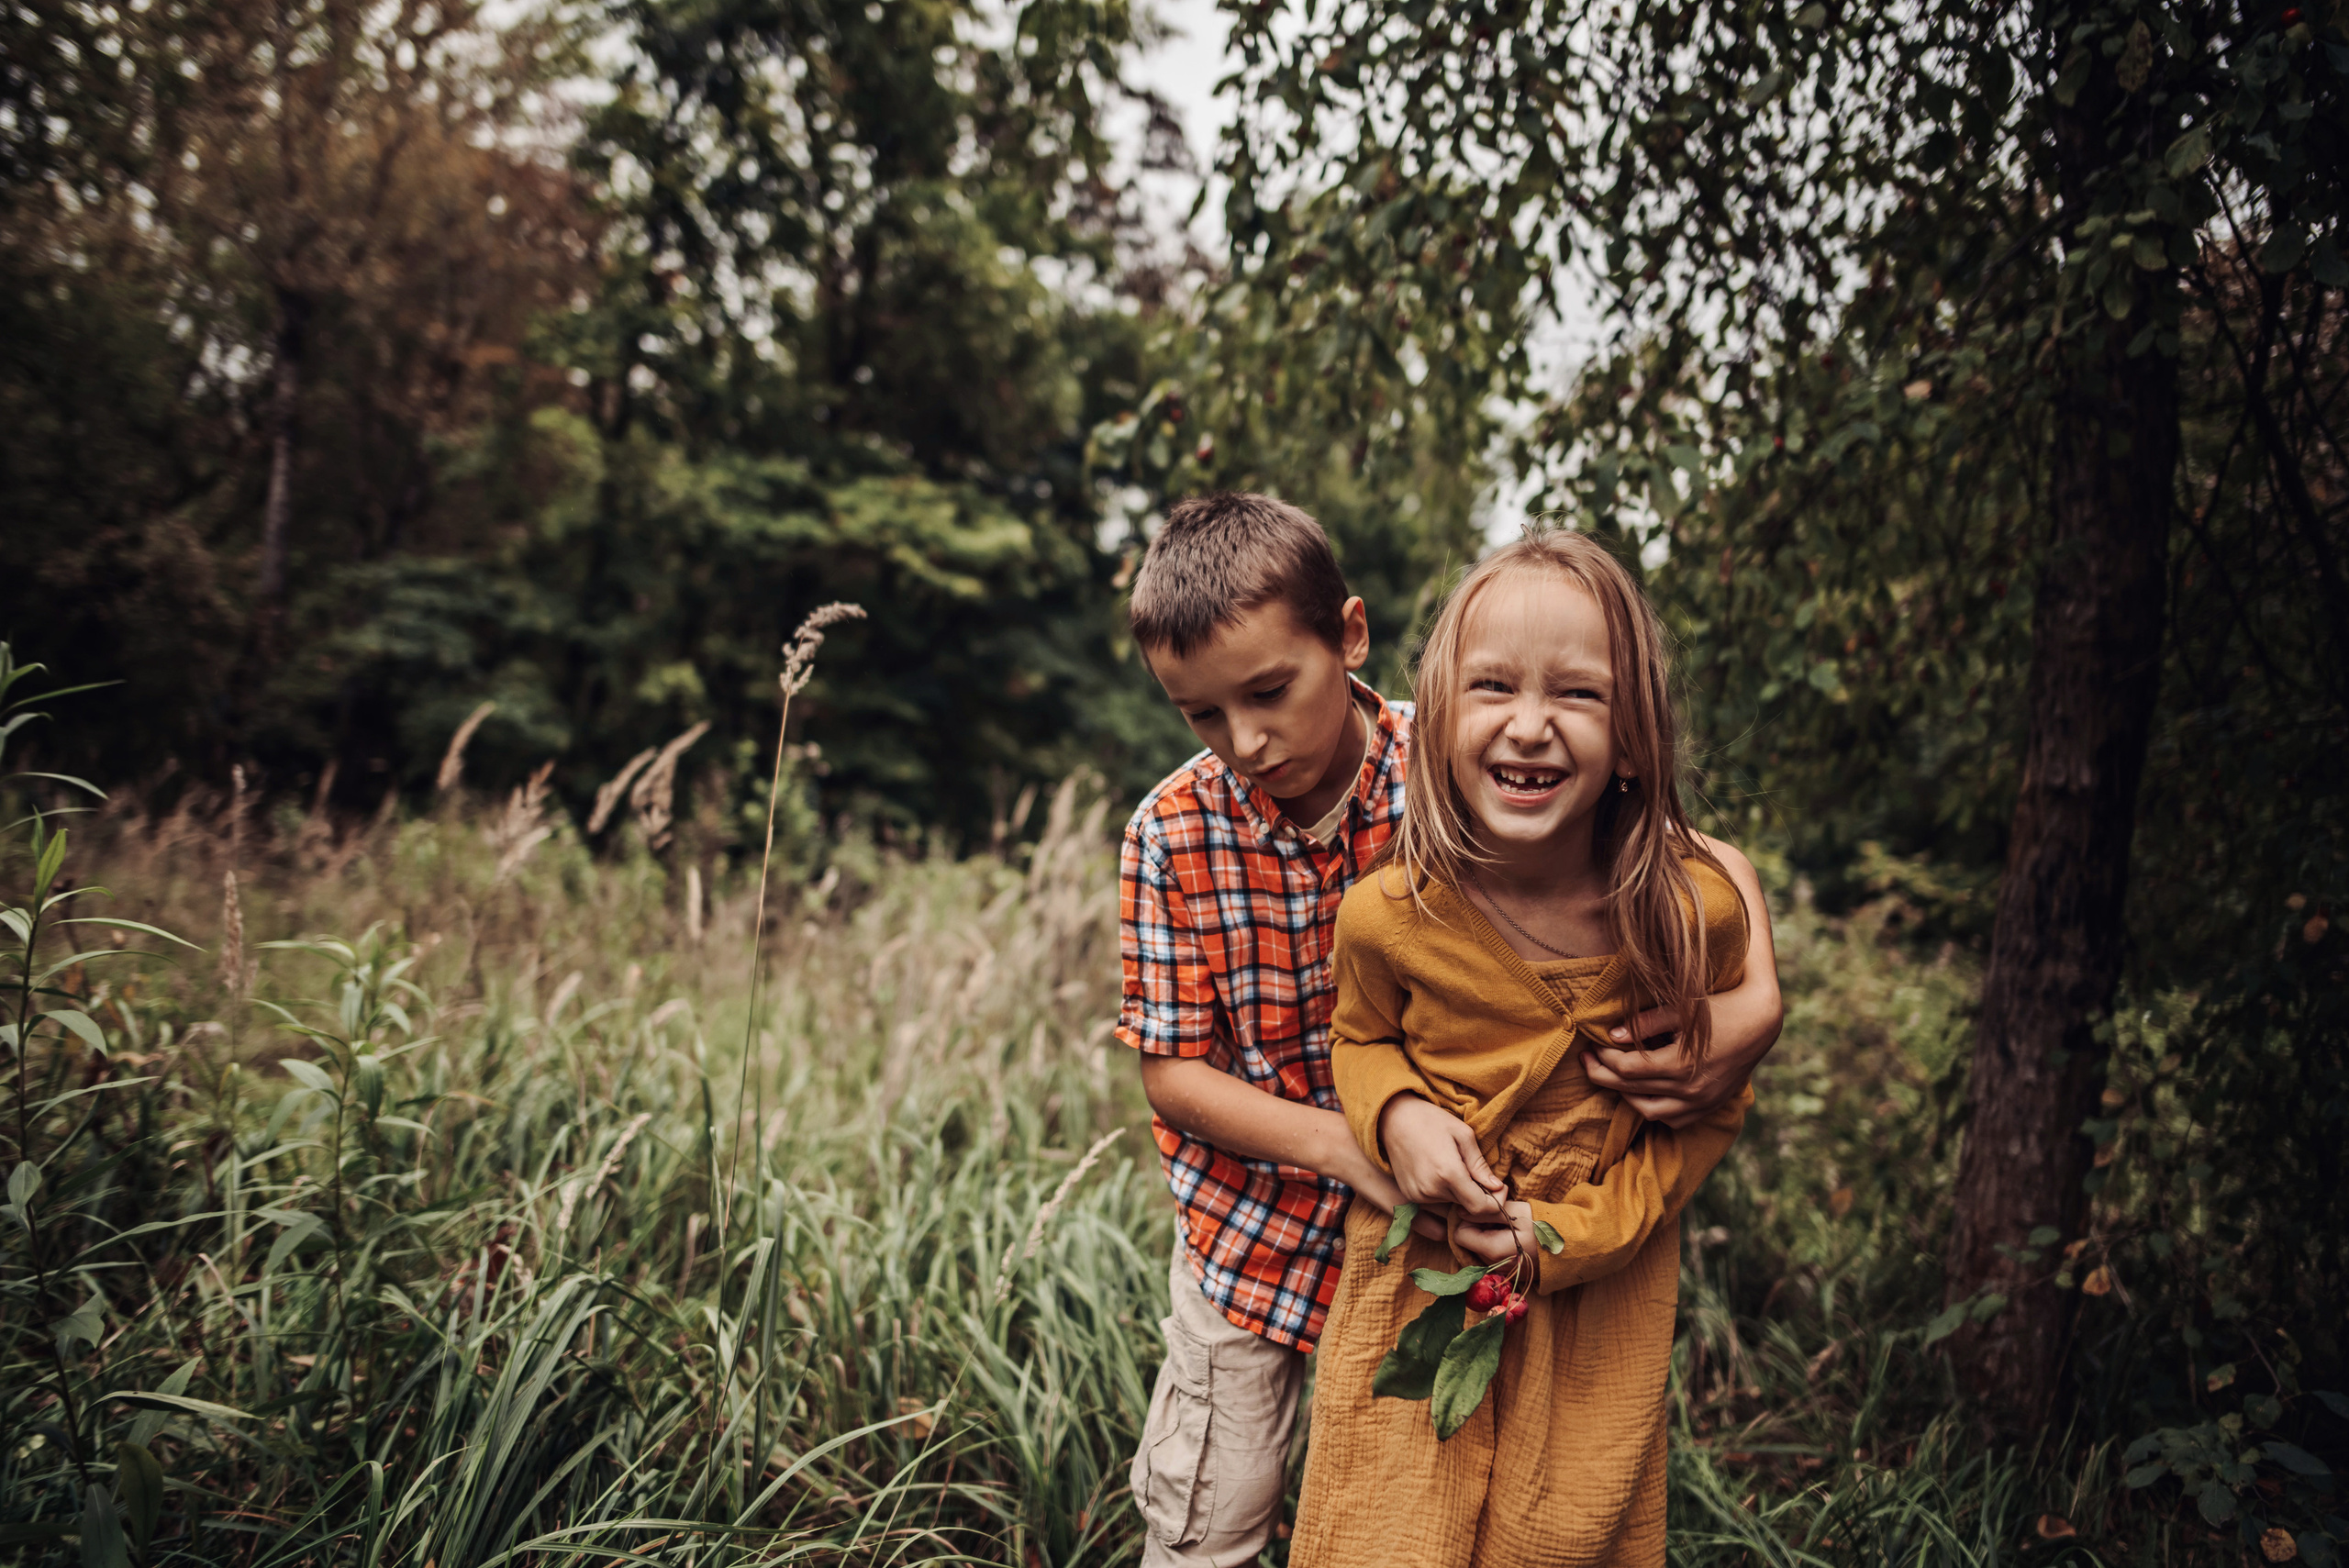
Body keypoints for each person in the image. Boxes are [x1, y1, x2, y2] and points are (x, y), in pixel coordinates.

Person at [1118, 497, 1783, 1567]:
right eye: (1200, 715)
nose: (1245, 740)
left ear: (1349, 635)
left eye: (1269, 692)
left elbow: (1683, 846)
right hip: (1254, 1235)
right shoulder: (1169, 831)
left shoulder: (1466, 746)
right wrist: (1359, 1139)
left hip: (1435, 1250)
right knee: (1211, 1509)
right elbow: (1170, 1072)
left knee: (1420, 1508)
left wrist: (1757, 999)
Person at [1287, 528, 1766, 1568]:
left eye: (1580, 695)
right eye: (1493, 685)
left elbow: (1707, 1111)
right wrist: (1398, 1113)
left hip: (1597, 1287)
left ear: (1634, 737)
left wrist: (1568, 1236)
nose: (1531, 725)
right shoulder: (1388, 914)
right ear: (1437, 718)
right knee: (1383, 1534)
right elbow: (1359, 1035)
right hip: (1422, 1271)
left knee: (1562, 1533)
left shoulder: (1686, 918)